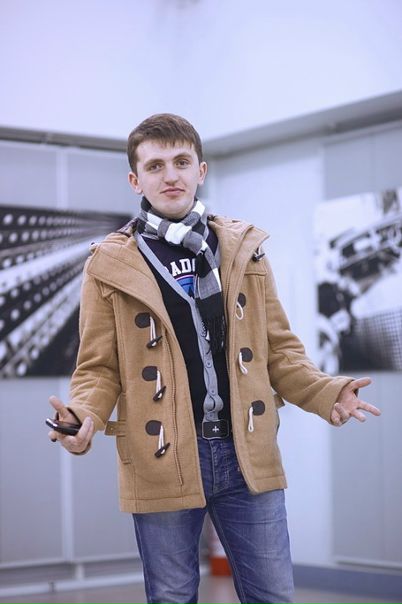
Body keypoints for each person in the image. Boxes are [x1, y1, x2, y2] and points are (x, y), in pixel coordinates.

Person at [47, 113, 381, 604]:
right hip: (162, 454)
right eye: (155, 166)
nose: (171, 175)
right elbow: (99, 367)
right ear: (136, 180)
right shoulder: (110, 262)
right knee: (172, 597)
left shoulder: (244, 249)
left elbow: (279, 350)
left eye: (182, 162)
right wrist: (83, 416)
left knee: (273, 596)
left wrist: (325, 392)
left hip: (247, 451)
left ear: (200, 170)